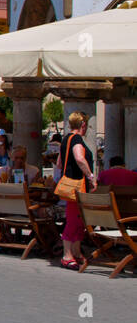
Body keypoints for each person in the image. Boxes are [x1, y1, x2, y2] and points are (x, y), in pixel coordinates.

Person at [55, 112, 97, 270]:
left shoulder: (65, 139)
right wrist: (91, 176)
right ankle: (67, 255)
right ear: (83, 125)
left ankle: (76, 251)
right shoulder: (78, 139)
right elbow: (79, 158)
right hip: (77, 186)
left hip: (70, 184)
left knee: (78, 220)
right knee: (74, 221)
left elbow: (59, 163)